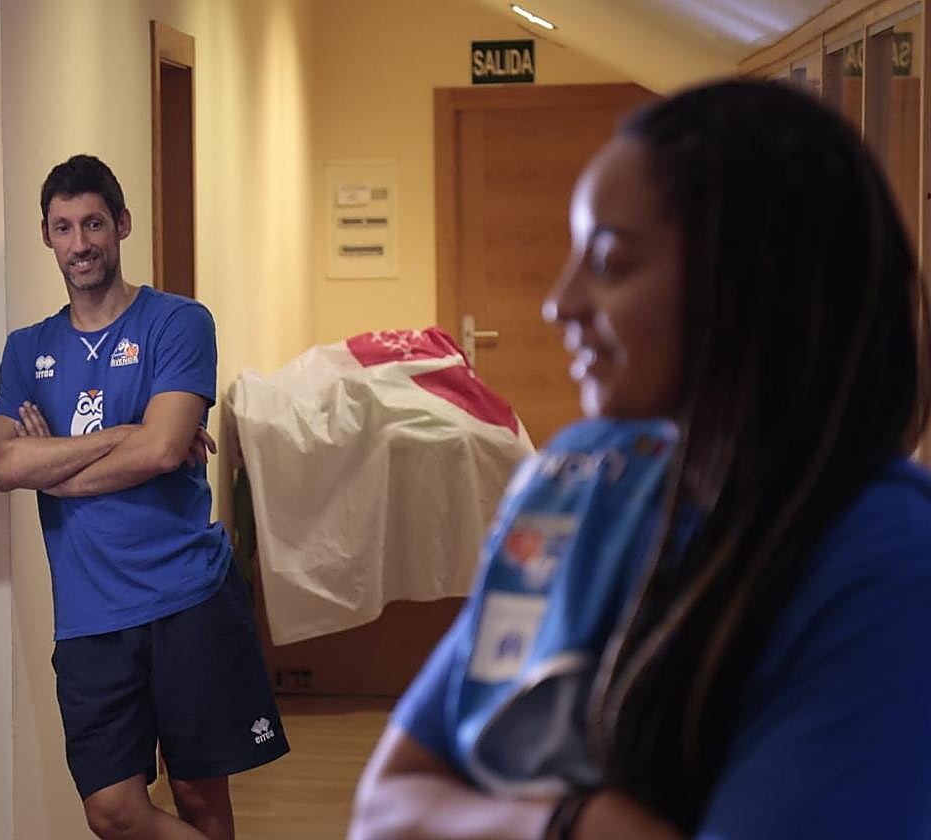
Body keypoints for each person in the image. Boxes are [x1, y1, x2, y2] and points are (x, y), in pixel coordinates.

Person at [349, 78, 931, 839]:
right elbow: (387, 806)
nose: (561, 303)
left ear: (751, 283)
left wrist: (491, 818)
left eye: (612, 264)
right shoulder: (581, 481)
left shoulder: (881, 557)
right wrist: (575, 824)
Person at [0, 154, 288, 840]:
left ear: (121, 224)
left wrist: (54, 462)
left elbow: (161, 452)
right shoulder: (25, 348)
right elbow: (6, 464)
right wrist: (131, 433)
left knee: (200, 798)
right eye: (63, 228)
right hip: (89, 615)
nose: (80, 242)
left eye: (93, 223)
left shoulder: (178, 322)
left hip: (187, 598)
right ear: (46, 236)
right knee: (112, 812)